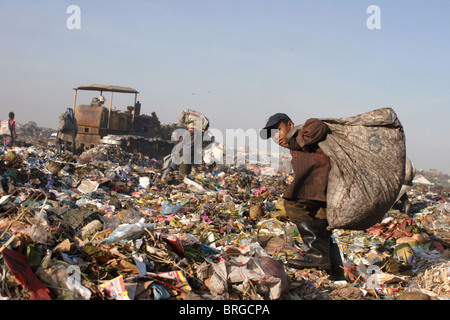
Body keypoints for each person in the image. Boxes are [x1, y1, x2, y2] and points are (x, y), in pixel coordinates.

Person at [261, 113, 335, 271]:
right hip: (320, 189)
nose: (276, 137)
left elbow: (319, 126)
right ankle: (333, 269)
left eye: (278, 130)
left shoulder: (306, 129)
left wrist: (296, 139)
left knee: (292, 203)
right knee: (321, 221)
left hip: (319, 181)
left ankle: (317, 255)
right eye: (272, 135)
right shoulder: (293, 146)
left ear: (290, 124)